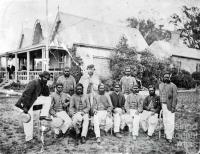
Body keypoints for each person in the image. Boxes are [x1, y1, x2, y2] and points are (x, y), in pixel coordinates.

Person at [15, 71, 52, 142]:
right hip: (26, 103)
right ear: (41, 77)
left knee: (48, 98)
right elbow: (26, 94)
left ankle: (43, 115)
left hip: (33, 101)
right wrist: (25, 107)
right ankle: (29, 138)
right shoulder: (34, 82)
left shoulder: (43, 84)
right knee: (29, 119)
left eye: (47, 78)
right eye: (44, 78)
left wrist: (46, 86)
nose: (46, 79)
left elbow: (46, 95)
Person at [159, 71, 177, 143]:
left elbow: (175, 98)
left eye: (167, 77)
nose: (166, 78)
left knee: (170, 121)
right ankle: (166, 134)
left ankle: (170, 137)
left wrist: (173, 107)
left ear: (169, 77)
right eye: (165, 77)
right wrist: (161, 106)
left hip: (170, 106)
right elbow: (160, 95)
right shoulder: (160, 85)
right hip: (163, 105)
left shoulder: (173, 86)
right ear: (163, 78)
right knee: (165, 120)